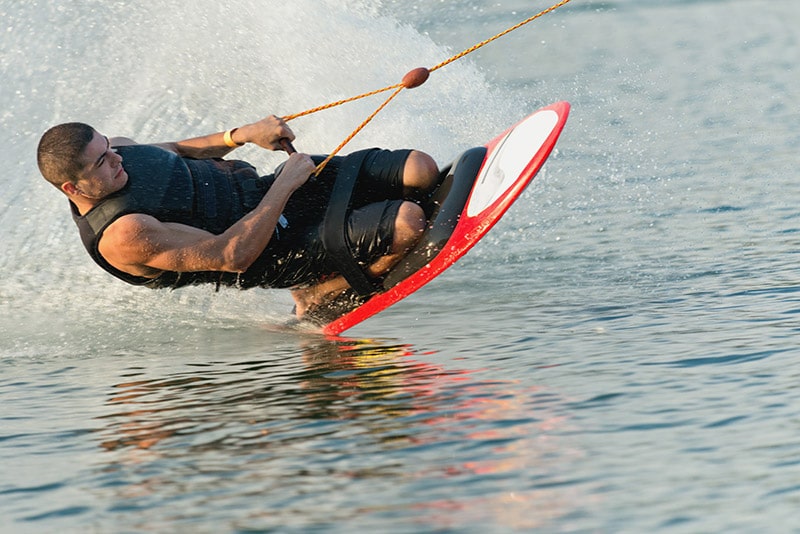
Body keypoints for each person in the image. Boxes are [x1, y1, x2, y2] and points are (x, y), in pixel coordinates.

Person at [37, 115, 440, 320]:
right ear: (72, 188)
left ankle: (323, 278)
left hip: (269, 193)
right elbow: (232, 254)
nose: (117, 158)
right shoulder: (124, 234)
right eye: (102, 163)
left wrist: (242, 134)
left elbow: (179, 149)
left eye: (109, 148)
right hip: (272, 249)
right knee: (409, 223)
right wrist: (286, 185)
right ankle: (321, 291)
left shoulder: (121, 152)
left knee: (421, 168)